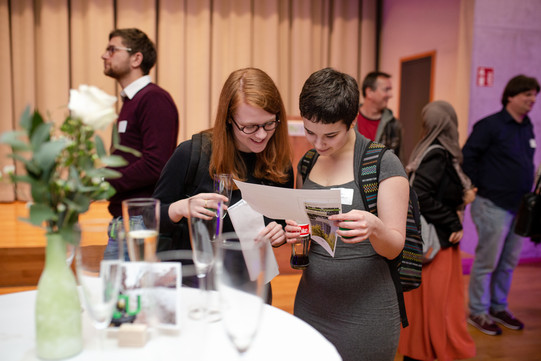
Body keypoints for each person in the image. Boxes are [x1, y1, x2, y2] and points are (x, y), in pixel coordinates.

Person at [284, 68, 409, 361]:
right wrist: (298, 232)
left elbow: (395, 247)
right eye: (309, 132)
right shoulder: (308, 162)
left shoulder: (382, 164)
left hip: (367, 312)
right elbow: (312, 230)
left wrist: (375, 228)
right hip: (311, 304)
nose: (318, 143)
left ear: (352, 122)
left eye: (330, 135)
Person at [152, 67, 294, 301]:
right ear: (229, 119)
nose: (261, 135)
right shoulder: (191, 154)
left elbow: (278, 222)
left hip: (253, 290)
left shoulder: (280, 165)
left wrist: (280, 233)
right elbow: (145, 219)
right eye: (249, 126)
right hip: (195, 291)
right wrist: (179, 208)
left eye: (269, 124)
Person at [398, 100, 476, 361]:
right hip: (437, 245)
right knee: (436, 305)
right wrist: (453, 221)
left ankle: (424, 350)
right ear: (449, 123)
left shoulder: (428, 150)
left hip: (434, 243)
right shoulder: (438, 154)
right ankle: (429, 351)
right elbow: (420, 194)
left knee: (427, 306)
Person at [463, 74, 539, 335]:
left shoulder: (527, 125)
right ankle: (478, 311)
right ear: (510, 96)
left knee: (508, 262)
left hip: (519, 208)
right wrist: (479, 186)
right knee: (487, 262)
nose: (532, 100)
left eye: (534, 95)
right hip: (491, 204)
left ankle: (498, 306)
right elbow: (468, 157)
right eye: (527, 94)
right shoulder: (490, 125)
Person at [101, 28, 179, 257]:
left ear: (137, 58)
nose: (105, 55)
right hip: (125, 219)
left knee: (128, 291)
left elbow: (156, 164)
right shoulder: (133, 100)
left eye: (112, 49)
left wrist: (106, 181)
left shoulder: (153, 98)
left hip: (139, 221)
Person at [357, 71, 402, 158]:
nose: (390, 95)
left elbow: (400, 161)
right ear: (369, 92)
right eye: (386, 89)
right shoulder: (348, 119)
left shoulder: (394, 125)